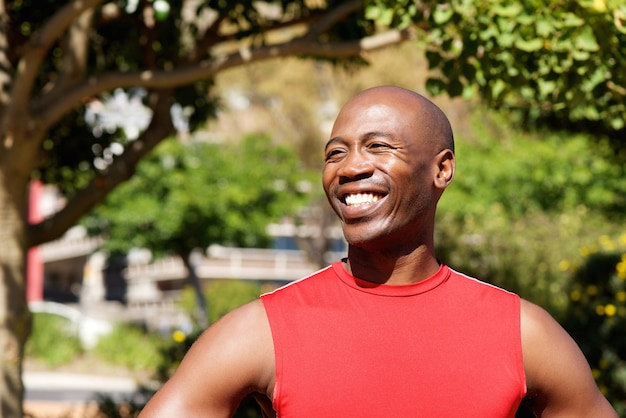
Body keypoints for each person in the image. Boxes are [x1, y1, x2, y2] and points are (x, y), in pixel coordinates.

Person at [139, 86, 617, 417]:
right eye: (335, 152)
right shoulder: (261, 331)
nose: (350, 168)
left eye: (378, 146)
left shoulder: (523, 332)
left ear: (442, 169)